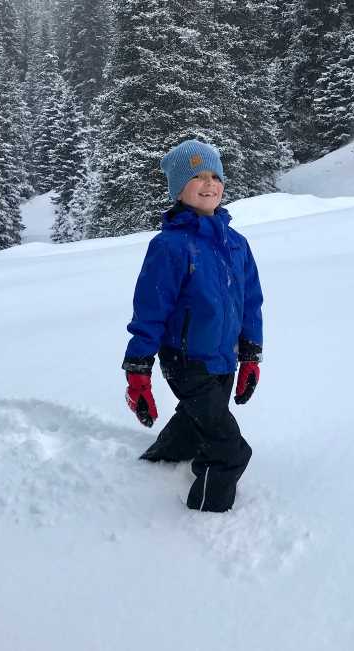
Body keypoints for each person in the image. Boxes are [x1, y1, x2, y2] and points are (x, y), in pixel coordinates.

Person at [122, 139, 263, 513]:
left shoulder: (237, 244)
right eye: (198, 176)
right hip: (186, 361)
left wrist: (250, 356)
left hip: (224, 360)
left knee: (194, 419)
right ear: (178, 189)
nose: (209, 183)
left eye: (215, 175)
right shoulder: (169, 246)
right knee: (229, 450)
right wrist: (138, 371)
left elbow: (251, 303)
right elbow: (150, 311)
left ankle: (161, 460)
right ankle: (203, 517)